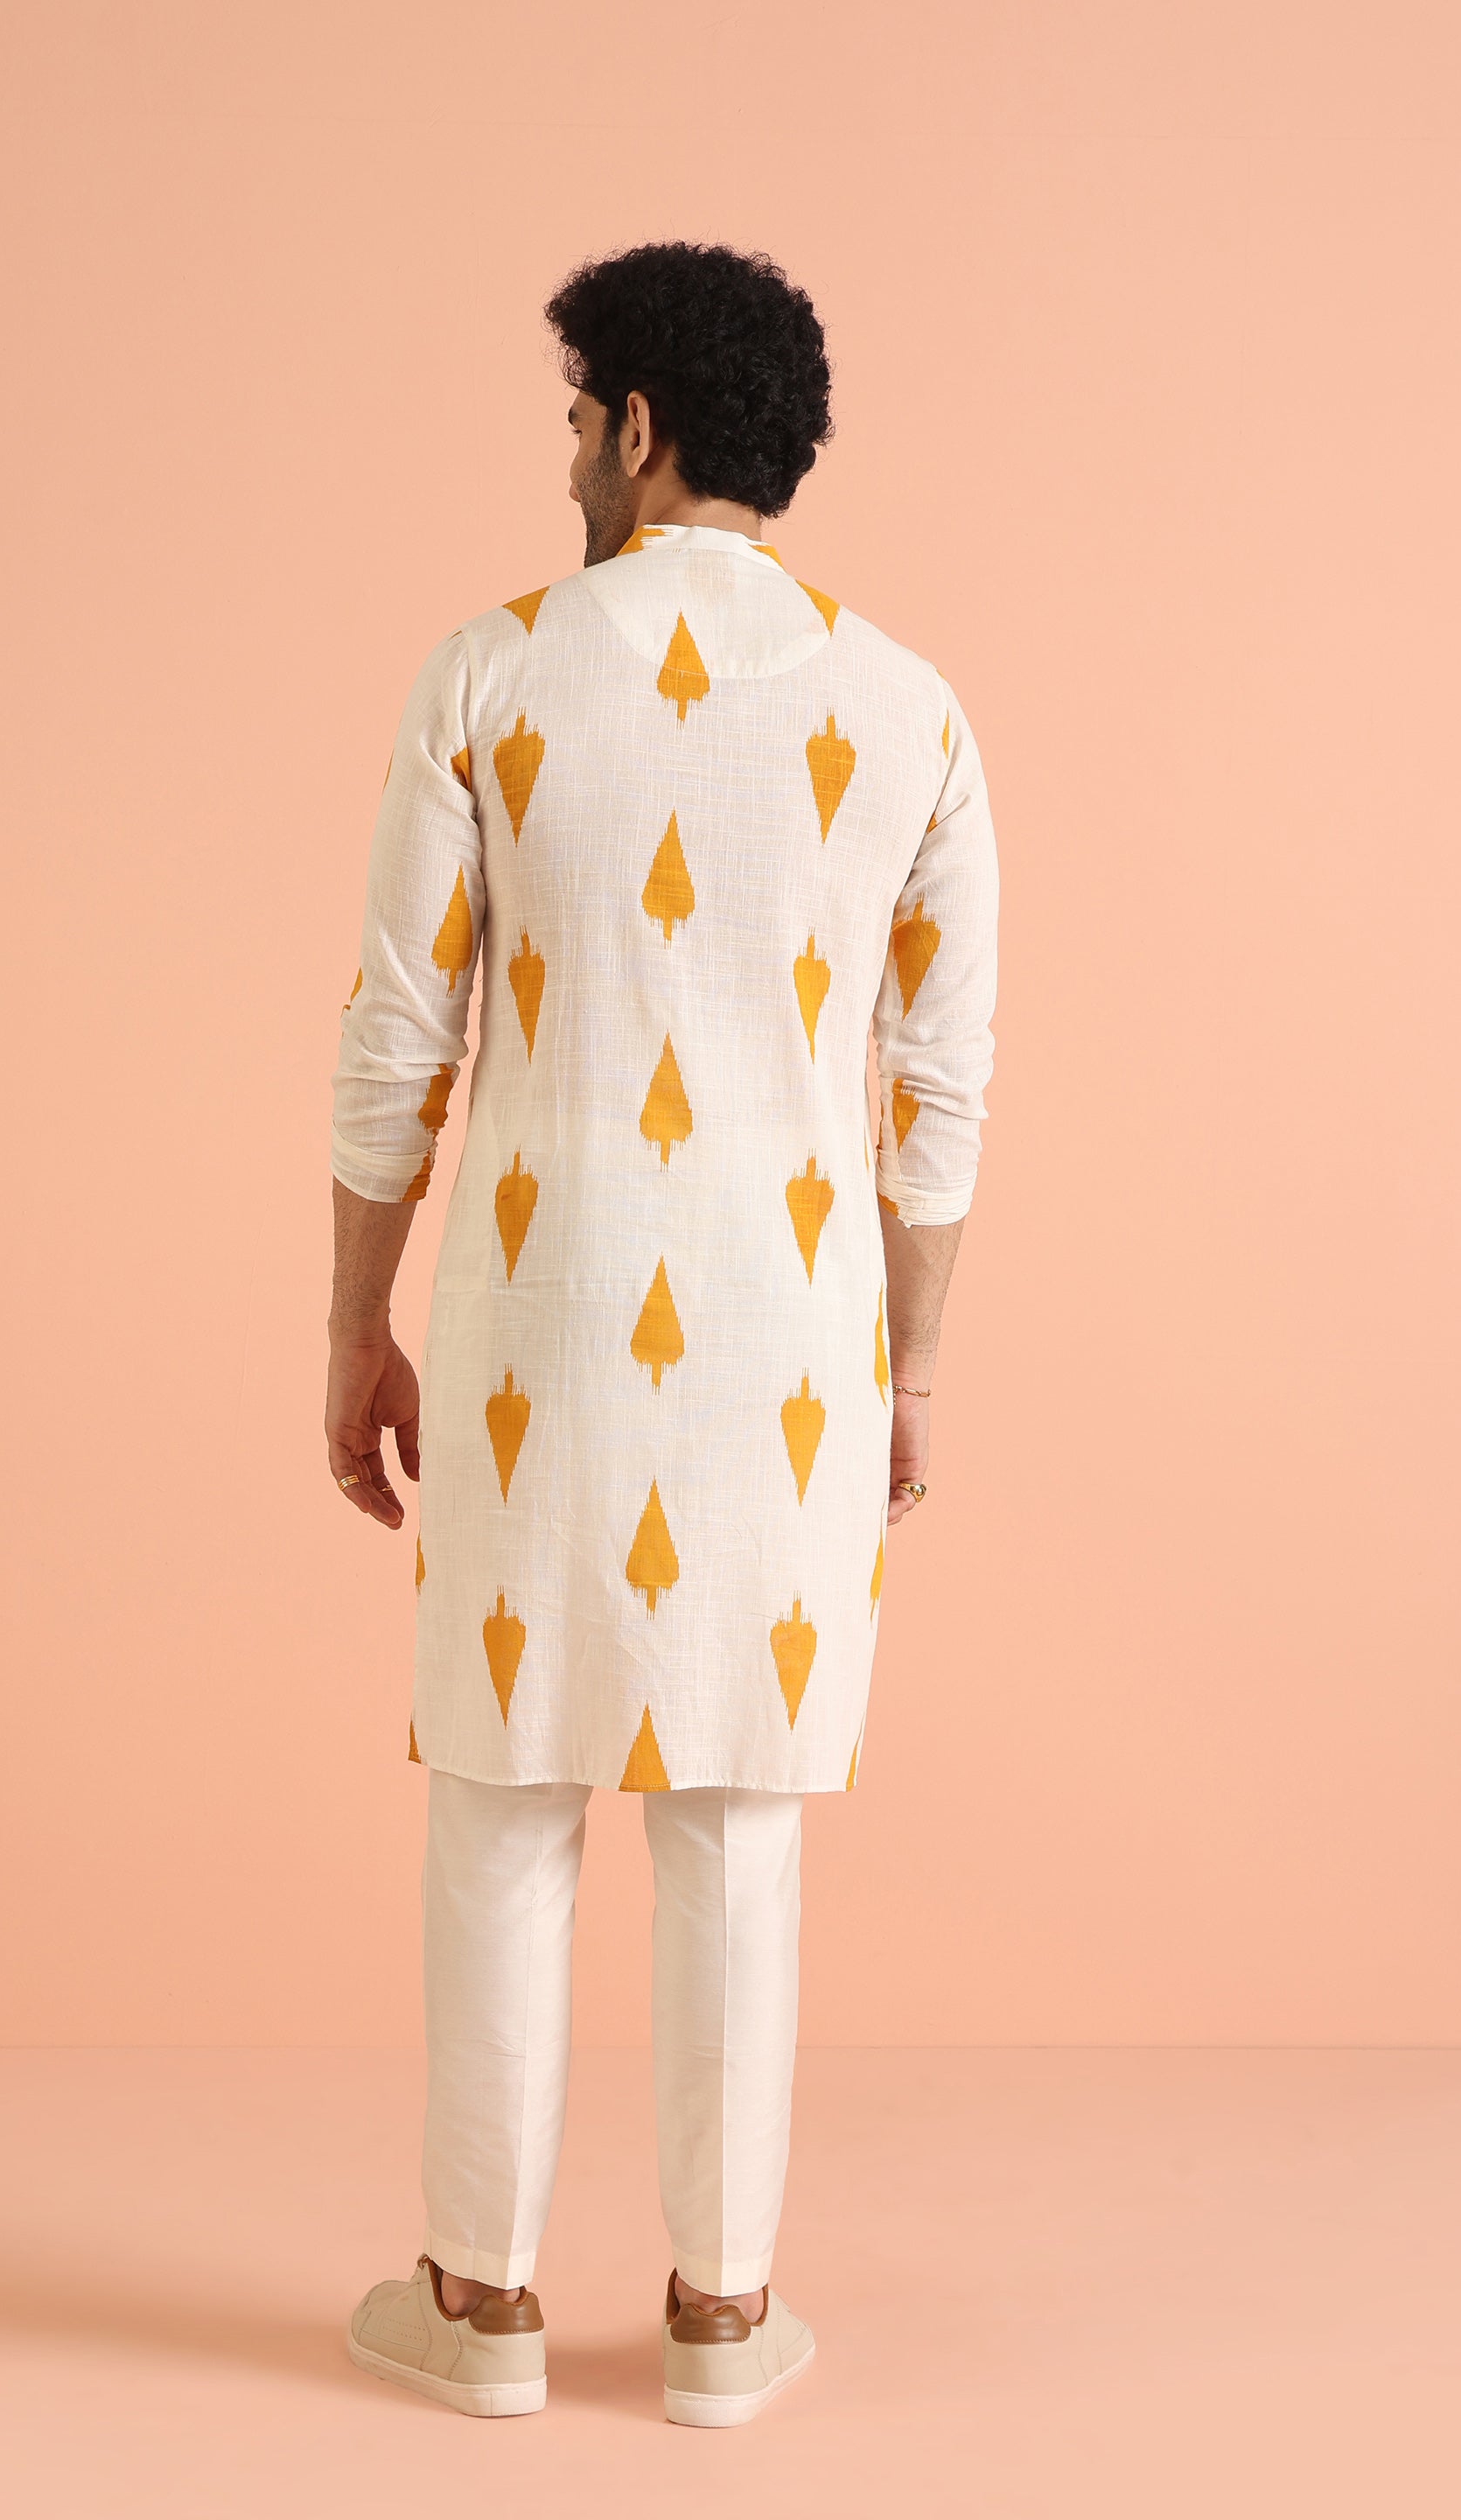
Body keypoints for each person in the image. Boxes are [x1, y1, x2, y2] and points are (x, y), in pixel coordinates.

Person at [325, 241, 998, 2426]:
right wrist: (911, 1375)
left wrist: (354, 1329)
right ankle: (722, 2317)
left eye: (575, 421)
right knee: (737, 1810)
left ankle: (482, 2303)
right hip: (787, 1343)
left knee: (503, 1802)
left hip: (533, 1320)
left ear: (637, 426)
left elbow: (398, 1044)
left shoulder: (492, 673)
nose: (568, 461)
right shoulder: (910, 709)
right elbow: (937, 1098)